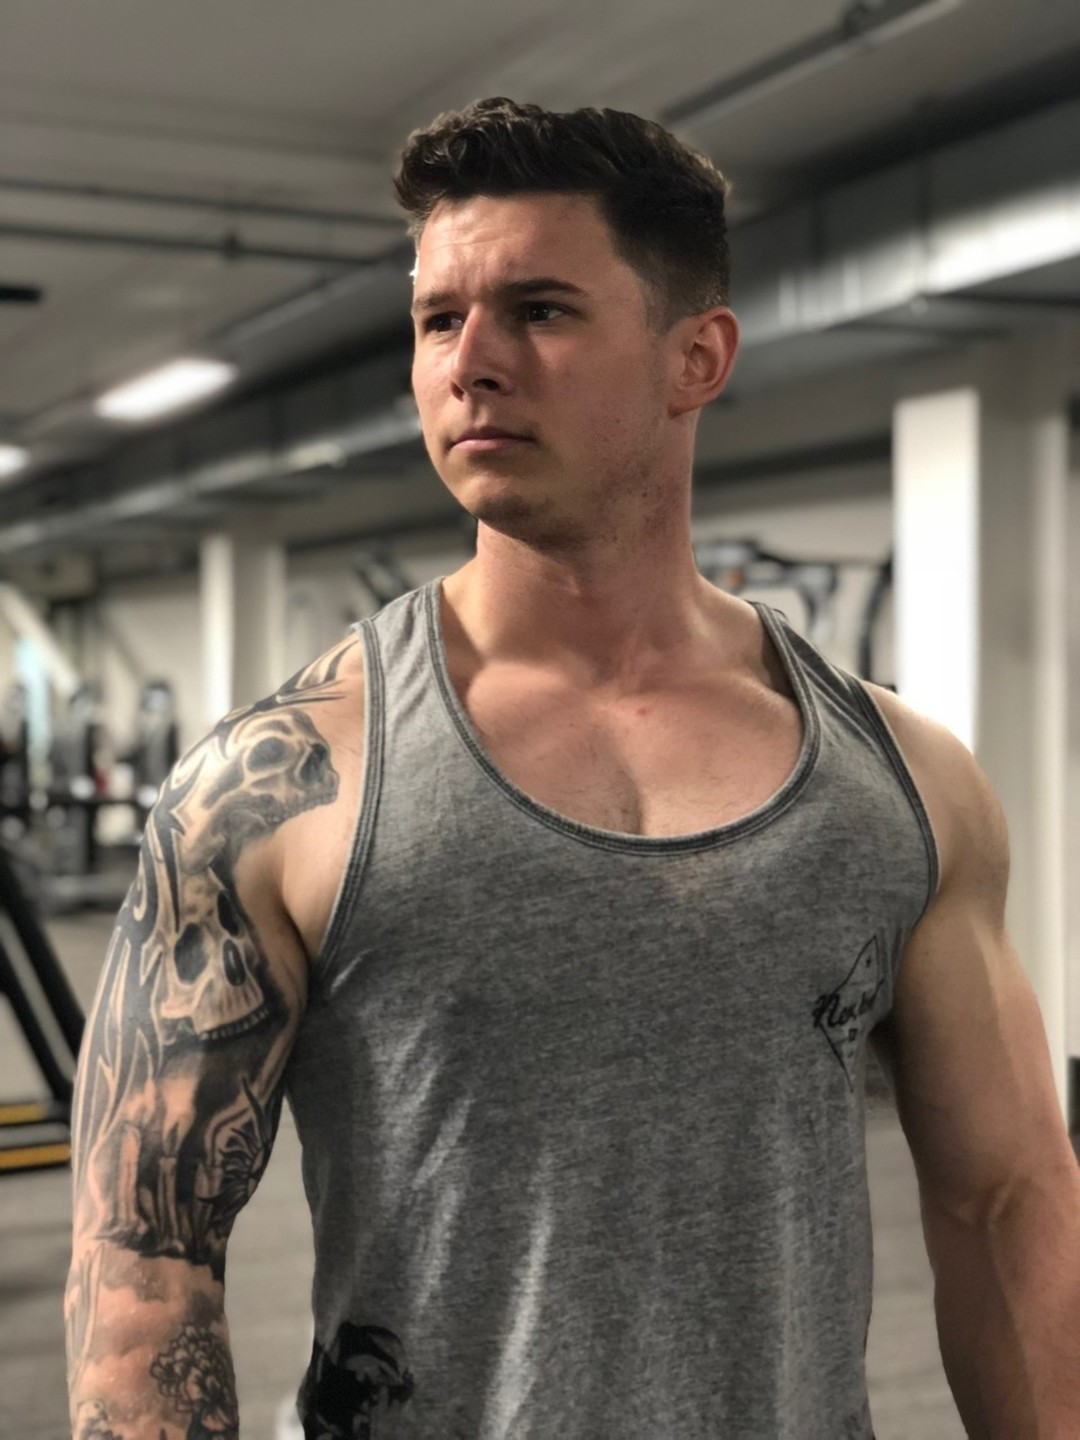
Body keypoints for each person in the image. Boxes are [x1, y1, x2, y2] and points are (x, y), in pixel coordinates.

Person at [67, 97, 1079, 1440]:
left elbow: (1005, 1202)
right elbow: (144, 1265)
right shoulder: (283, 783)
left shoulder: (902, 780)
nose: (470, 364)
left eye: (539, 311)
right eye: (438, 319)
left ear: (695, 357)